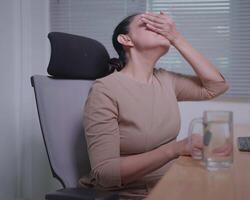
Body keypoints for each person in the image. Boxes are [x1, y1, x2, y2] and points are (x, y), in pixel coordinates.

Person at [79, 11, 229, 199]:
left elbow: (217, 86)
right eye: (149, 23)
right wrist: (175, 149)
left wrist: (176, 38)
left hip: (172, 183)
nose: (160, 27)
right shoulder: (104, 90)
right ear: (126, 39)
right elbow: (105, 173)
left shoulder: (166, 79)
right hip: (134, 194)